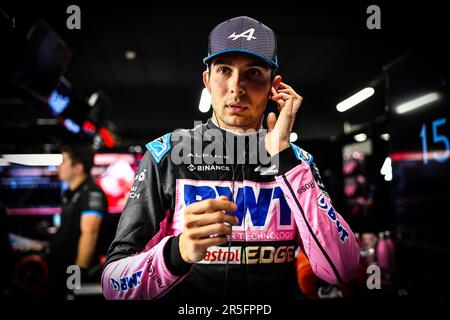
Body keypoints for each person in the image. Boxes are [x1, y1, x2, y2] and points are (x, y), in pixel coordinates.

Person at [101, 16, 359, 300]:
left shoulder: (299, 163)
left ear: (274, 85)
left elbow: (341, 269)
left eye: (253, 73)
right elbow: (113, 285)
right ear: (207, 81)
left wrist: (284, 158)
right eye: (224, 70)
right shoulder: (166, 156)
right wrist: (178, 253)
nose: (237, 87)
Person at [49, 143, 107, 299]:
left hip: (75, 273)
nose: (59, 165)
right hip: (61, 269)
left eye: (64, 161)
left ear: (78, 167)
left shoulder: (91, 193)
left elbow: (90, 233)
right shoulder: (71, 193)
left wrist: (76, 277)